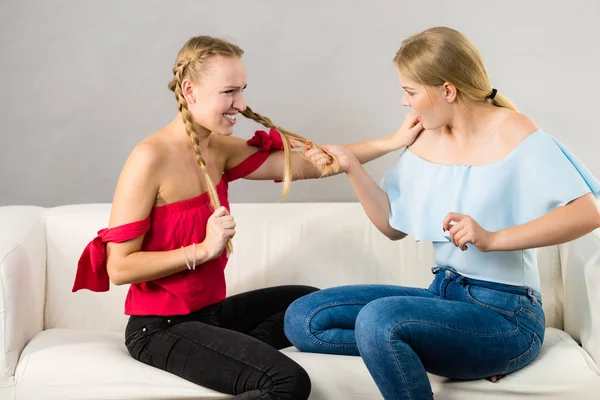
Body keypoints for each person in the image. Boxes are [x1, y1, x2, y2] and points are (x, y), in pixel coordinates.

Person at [72, 35, 419, 399]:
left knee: (309, 304)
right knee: (287, 382)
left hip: (210, 314)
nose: (241, 104)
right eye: (229, 92)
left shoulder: (218, 148)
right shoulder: (149, 158)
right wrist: (202, 250)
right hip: (159, 329)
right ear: (190, 91)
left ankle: (227, 350)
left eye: (243, 91)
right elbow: (119, 267)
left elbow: (304, 165)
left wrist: (391, 142)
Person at [284, 26, 600, 400]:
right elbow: (390, 226)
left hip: (507, 318)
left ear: (447, 90)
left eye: (410, 91)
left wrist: (494, 238)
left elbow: (588, 212)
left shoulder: (514, 130)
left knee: (378, 320)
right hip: (444, 298)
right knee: (303, 318)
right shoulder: (427, 137)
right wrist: (352, 166)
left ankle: (435, 347)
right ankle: (436, 349)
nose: (404, 102)